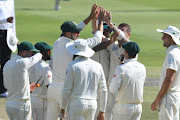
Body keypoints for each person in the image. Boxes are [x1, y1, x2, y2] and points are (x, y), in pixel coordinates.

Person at [46, 4, 106, 120]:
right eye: (76, 33)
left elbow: (75, 29)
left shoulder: (57, 42)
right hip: (65, 91)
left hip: (53, 89)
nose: (78, 35)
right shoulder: (74, 45)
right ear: (68, 34)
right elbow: (98, 39)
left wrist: (90, 17)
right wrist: (101, 21)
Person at [60, 39, 107, 120]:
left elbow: (67, 89)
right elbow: (103, 89)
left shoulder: (72, 65)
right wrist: (102, 110)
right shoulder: (97, 65)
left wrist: (62, 108)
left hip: (76, 103)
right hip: (92, 103)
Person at [3, 41, 42, 120]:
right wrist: (40, 52)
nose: (31, 55)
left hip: (9, 105)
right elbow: (37, 57)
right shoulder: (22, 62)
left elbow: (7, 85)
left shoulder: (7, 64)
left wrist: (26, 88)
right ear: (24, 52)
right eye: (31, 53)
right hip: (21, 105)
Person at [109, 42, 146, 120]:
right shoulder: (142, 67)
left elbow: (112, 88)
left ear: (125, 52)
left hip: (123, 106)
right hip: (138, 106)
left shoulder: (121, 68)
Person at [151, 26, 180, 120]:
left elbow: (169, 79)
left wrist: (157, 99)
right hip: (174, 96)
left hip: (169, 97)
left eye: (165, 36)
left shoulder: (172, 55)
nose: (162, 38)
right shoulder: (177, 53)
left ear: (172, 38)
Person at [29, 42, 53, 120]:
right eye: (48, 51)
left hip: (32, 98)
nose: (50, 53)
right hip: (43, 100)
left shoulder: (28, 65)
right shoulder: (45, 67)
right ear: (42, 53)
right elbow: (49, 86)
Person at [0, 0, 18, 98]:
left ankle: (2, 89)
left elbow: (13, 21)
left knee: (5, 62)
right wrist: (4, 20)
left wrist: (14, 36)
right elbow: (7, 19)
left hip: (7, 33)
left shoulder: (11, 1)